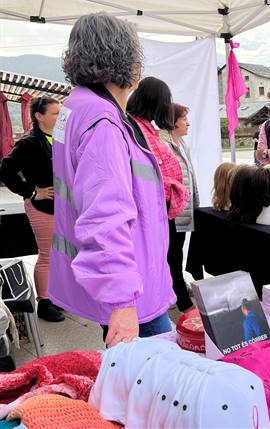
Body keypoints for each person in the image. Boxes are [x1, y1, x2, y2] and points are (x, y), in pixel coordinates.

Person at [51, 13, 176, 347]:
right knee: (159, 382)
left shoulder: (75, 107)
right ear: (128, 62)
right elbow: (105, 214)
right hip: (132, 291)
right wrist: (122, 301)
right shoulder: (103, 123)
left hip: (120, 281)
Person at [128, 77, 190, 313]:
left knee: (170, 256)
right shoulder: (137, 130)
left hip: (161, 208)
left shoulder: (144, 128)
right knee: (165, 257)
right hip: (152, 210)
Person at [0, 96, 65, 322]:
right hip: (42, 206)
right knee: (47, 255)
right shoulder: (29, 142)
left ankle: (56, 297)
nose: (60, 116)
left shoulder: (57, 138)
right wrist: (31, 191)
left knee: (60, 254)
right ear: (39, 116)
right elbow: (5, 169)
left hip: (61, 207)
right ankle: (44, 303)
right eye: (56, 113)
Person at [159, 103, 199, 313]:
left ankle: (177, 288)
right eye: (184, 119)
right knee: (172, 254)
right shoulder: (162, 144)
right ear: (172, 121)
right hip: (171, 210)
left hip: (183, 208)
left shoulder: (181, 142)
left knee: (177, 253)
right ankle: (182, 300)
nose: (188, 123)